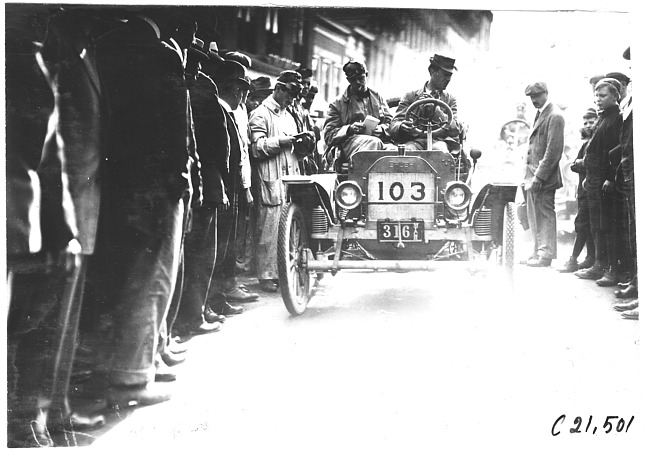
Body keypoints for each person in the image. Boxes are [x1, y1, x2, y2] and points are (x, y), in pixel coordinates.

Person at [249, 70, 311, 292]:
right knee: (269, 226)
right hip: (270, 179)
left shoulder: (289, 115)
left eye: (294, 96)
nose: (291, 100)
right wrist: (283, 142)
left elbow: (293, 147)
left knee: (284, 230)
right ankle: (266, 275)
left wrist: (303, 147)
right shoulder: (260, 114)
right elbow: (256, 149)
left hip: (288, 178)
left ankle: (281, 273)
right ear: (278, 88)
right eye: (289, 94)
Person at [207, 59, 260, 315]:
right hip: (223, 190)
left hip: (231, 187)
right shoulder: (219, 110)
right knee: (218, 249)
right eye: (241, 90)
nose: (243, 95)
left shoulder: (228, 112)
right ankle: (214, 299)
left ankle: (218, 298)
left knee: (225, 246)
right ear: (234, 90)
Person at [575, 78, 623, 283]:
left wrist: (611, 178)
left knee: (607, 226)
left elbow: (617, 152)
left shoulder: (616, 119)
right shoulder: (603, 118)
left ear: (615, 96)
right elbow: (593, 149)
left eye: (603, 96)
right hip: (594, 180)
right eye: (596, 96)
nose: (598, 99)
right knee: (596, 225)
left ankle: (612, 270)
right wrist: (587, 177)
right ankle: (598, 265)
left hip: (605, 181)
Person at [521, 82, 565, 267]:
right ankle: (537, 252)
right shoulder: (541, 114)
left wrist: (539, 177)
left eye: (537, 96)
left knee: (544, 213)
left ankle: (545, 255)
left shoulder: (554, 116)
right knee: (534, 214)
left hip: (542, 177)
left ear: (546, 93)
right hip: (532, 175)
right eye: (531, 97)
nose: (534, 100)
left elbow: (553, 151)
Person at [322, 60, 393, 164]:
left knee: (395, 151)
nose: (358, 82)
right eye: (353, 80)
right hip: (349, 144)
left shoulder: (378, 98)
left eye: (361, 78)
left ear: (366, 75)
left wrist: (381, 129)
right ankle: (363, 179)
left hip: (378, 141)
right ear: (348, 80)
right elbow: (329, 136)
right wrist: (349, 129)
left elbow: (391, 123)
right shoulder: (338, 104)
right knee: (373, 143)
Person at [389, 54, 463, 153]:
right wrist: (401, 127)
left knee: (439, 153)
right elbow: (394, 125)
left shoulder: (450, 99)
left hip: (439, 142)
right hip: (413, 142)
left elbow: (455, 129)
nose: (448, 79)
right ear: (432, 71)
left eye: (450, 75)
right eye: (445, 74)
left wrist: (437, 112)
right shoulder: (410, 96)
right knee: (407, 153)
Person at [557, 108, 597, 272]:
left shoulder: (594, 142)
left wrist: (581, 163)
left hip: (591, 188)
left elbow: (584, 163)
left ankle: (574, 260)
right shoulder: (586, 143)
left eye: (591, 121)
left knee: (583, 224)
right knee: (585, 224)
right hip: (583, 190)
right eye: (585, 122)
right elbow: (574, 165)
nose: (588, 125)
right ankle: (589, 258)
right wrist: (579, 163)